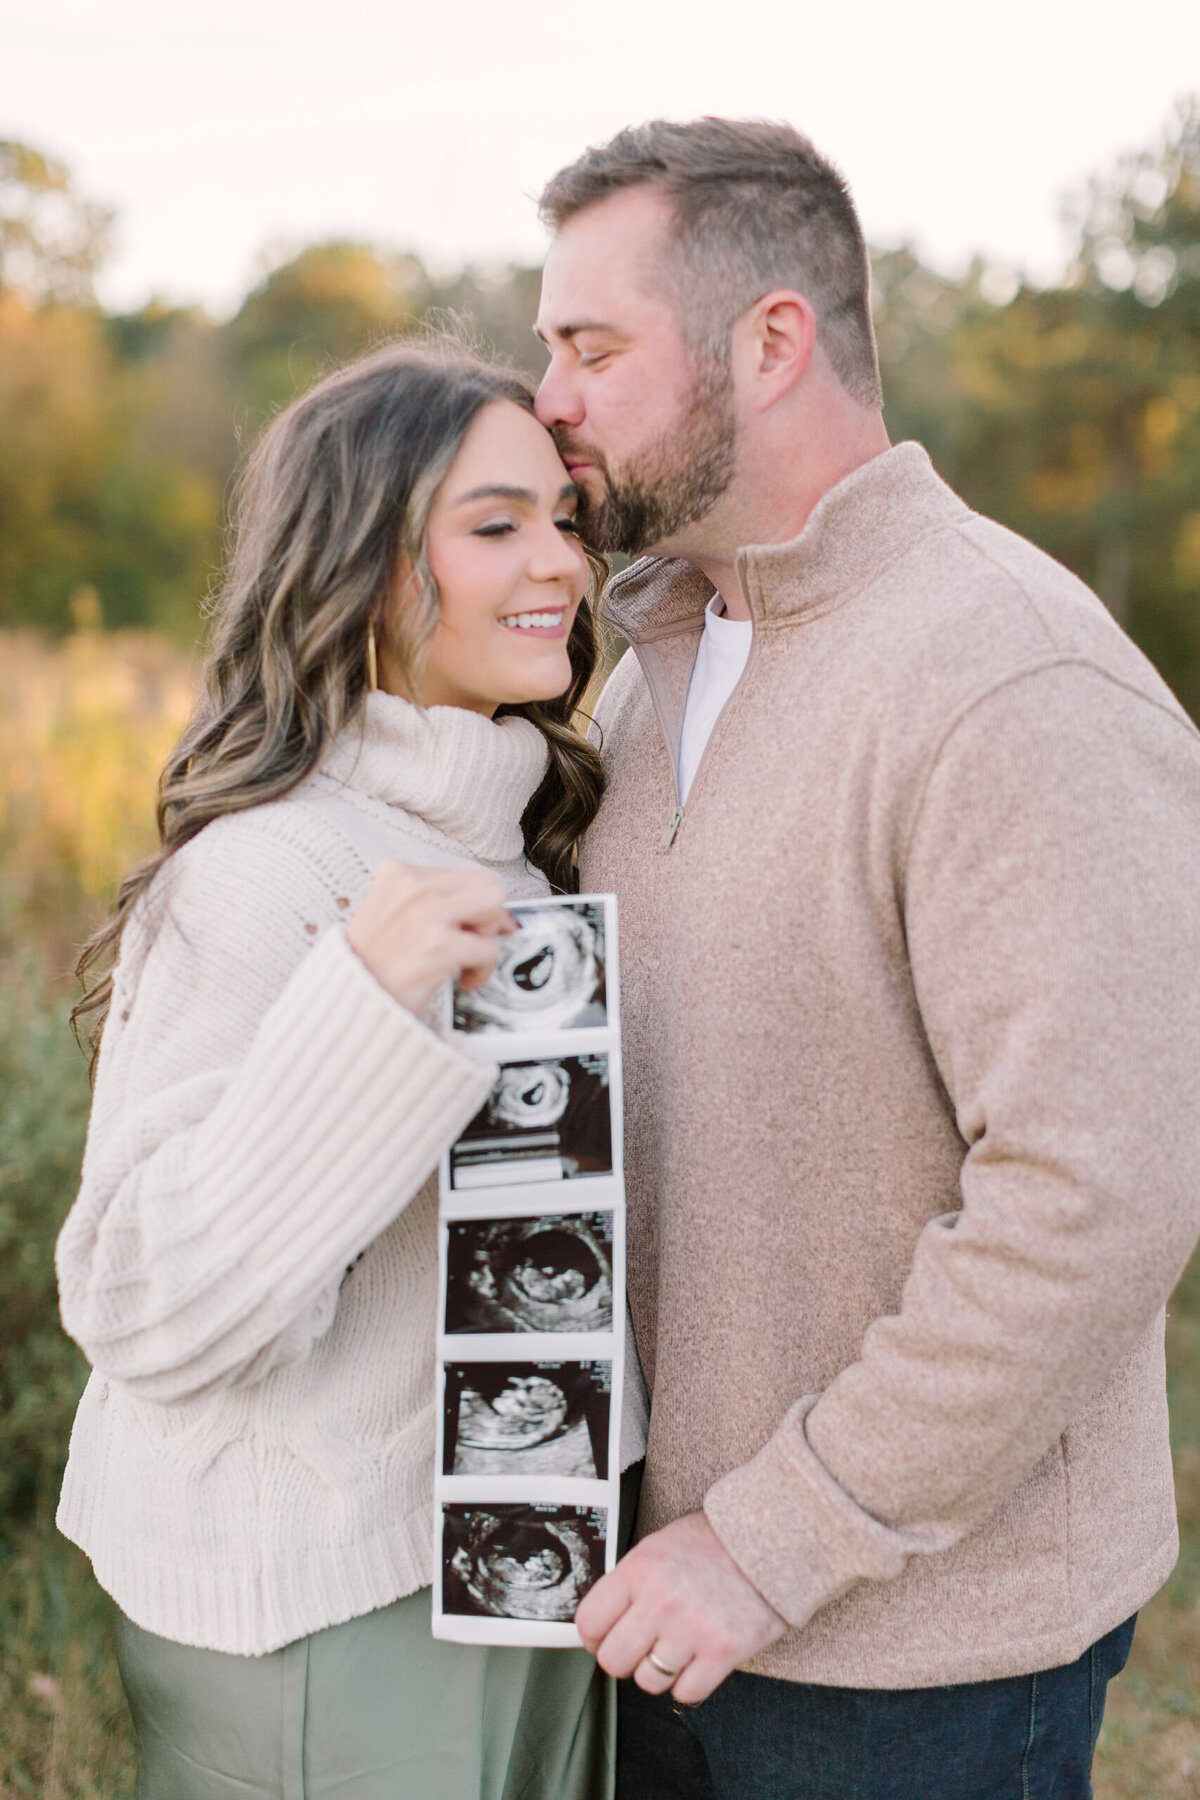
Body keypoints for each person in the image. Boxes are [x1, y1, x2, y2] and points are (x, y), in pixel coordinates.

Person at [531, 117, 1200, 1799]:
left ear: (771, 343)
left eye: (591, 348)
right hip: (657, 1610)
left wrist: (771, 1542)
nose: (550, 398)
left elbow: (1095, 1194)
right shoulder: (643, 663)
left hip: (915, 1667)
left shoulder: (1012, 679)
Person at [55, 340, 628, 1800]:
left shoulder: (515, 843)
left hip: (527, 1558)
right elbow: (138, 1297)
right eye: (494, 525)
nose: (557, 559)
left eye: (564, 518)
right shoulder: (262, 871)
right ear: (360, 564)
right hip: (327, 1610)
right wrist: (361, 1017)